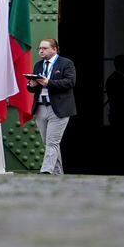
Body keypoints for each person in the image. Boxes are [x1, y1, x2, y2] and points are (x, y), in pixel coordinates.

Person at [25, 38, 77, 175]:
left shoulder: (66, 63)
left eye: (44, 48)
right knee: (48, 142)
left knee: (52, 141)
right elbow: (32, 88)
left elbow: (70, 82)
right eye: (40, 48)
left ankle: (46, 171)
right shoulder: (38, 65)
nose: (41, 51)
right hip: (40, 107)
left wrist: (49, 82)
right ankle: (58, 173)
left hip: (59, 108)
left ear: (55, 49)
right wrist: (31, 85)